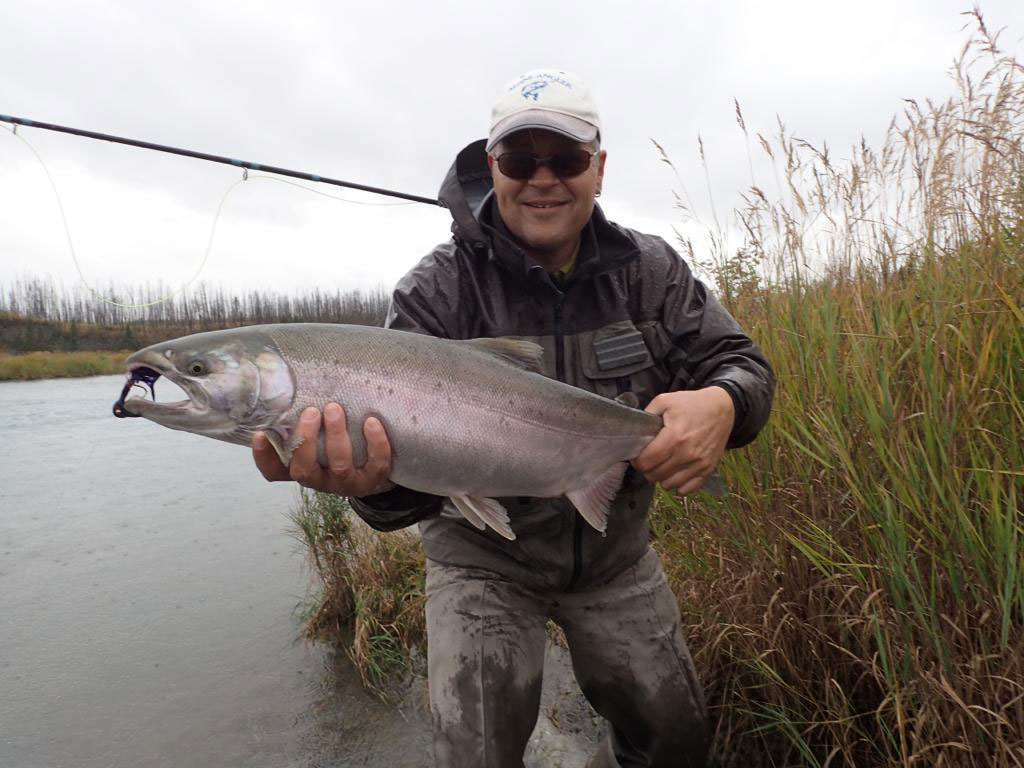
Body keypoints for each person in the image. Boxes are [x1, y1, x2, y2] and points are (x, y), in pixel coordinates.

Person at [253, 69, 775, 768]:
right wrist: (371, 488)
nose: (543, 180)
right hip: (482, 562)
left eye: (565, 160)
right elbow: (403, 497)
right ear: (491, 167)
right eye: (520, 161)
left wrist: (724, 403)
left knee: (675, 745)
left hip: (615, 558)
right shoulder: (435, 292)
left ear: (599, 167)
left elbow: (745, 366)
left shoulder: (651, 272)